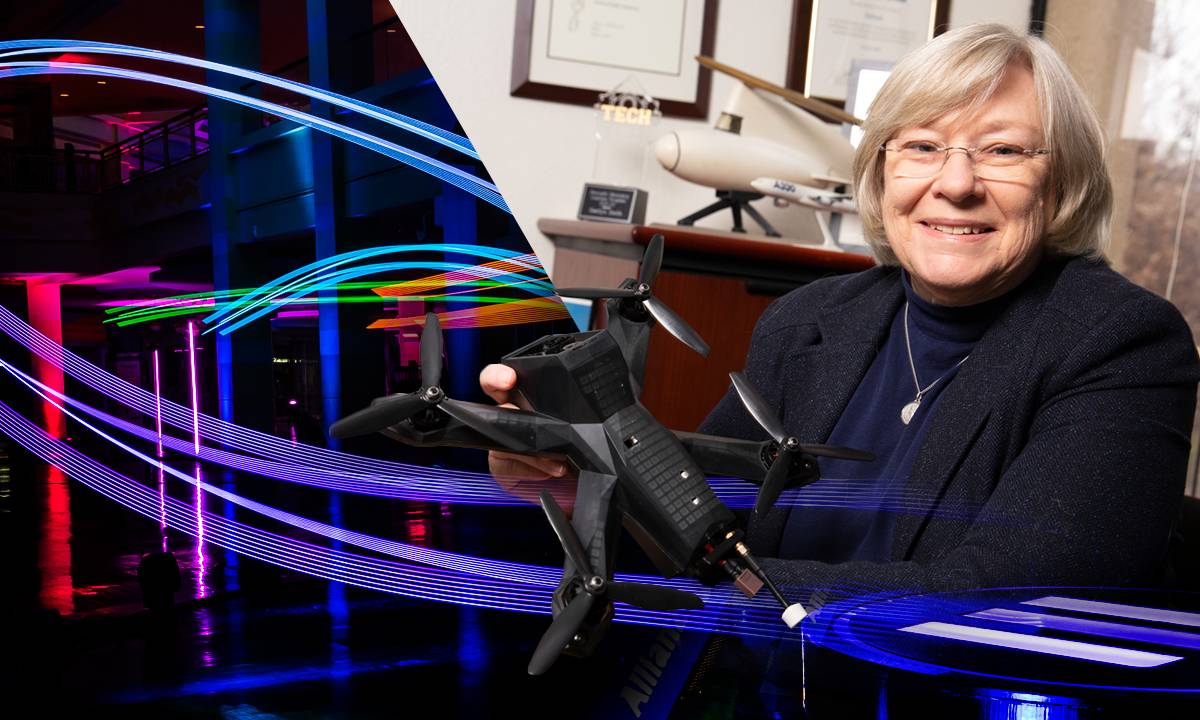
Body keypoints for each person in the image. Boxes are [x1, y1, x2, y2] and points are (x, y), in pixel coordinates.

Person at [481, 23, 1199, 602]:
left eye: (1004, 150)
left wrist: (721, 581)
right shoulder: (809, 321)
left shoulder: (1121, 341)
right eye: (921, 146)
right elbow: (703, 524)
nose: (955, 183)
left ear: (1062, 180)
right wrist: (584, 480)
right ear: (882, 172)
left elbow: (1009, 595)